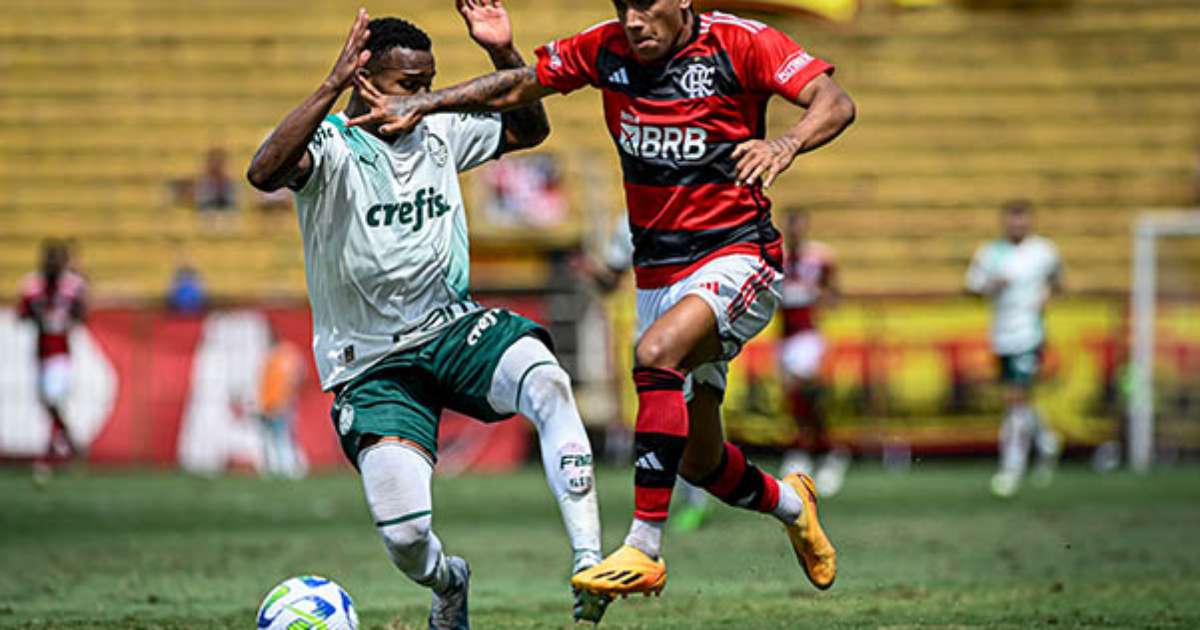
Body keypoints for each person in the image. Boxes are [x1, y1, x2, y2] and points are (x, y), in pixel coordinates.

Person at [348, 0, 855, 597]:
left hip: (738, 254)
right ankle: (794, 507)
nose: (634, 19)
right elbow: (519, 88)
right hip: (658, 271)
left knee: (656, 353)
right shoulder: (605, 47)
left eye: (646, 4)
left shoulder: (743, 43)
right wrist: (424, 101)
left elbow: (835, 102)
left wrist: (787, 143)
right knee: (699, 460)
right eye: (622, 5)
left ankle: (643, 547)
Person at [246, 5, 607, 627]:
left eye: (430, 82)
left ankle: (590, 559)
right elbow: (262, 172)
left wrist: (502, 51)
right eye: (410, 86)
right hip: (371, 365)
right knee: (407, 541)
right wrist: (329, 86)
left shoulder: (440, 128)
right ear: (366, 81)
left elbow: (529, 129)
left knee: (547, 381)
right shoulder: (331, 146)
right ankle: (448, 581)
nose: (424, 97)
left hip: (451, 329)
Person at [575, 212, 713, 534]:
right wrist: (592, 273)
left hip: (692, 327)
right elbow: (611, 280)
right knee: (661, 420)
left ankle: (692, 501)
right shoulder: (628, 222)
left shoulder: (693, 205)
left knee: (690, 417)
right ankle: (664, 506)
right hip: (648, 333)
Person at [965, 200, 1064, 498]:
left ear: (1030, 222)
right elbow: (971, 287)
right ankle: (1046, 441)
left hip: (1030, 333)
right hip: (1002, 335)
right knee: (1019, 399)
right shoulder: (990, 253)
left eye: (1022, 220)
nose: (1017, 225)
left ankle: (1012, 467)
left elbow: (1058, 281)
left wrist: (1049, 295)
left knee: (1015, 398)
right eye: (1012, 220)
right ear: (1004, 222)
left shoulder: (1044, 251)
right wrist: (992, 285)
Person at [777, 209, 848, 497]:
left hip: (807, 335)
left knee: (806, 391)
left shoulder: (819, 256)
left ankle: (822, 452)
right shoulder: (775, 256)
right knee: (793, 398)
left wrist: (821, 297)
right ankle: (810, 450)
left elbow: (834, 294)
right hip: (783, 336)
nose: (794, 230)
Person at [18, 239, 88, 483]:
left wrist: (65, 319)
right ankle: (70, 444)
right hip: (40, 352)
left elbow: (82, 314)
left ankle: (49, 459)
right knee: (47, 402)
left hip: (60, 353)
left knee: (52, 400)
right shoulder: (33, 284)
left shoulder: (72, 285)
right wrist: (38, 316)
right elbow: (22, 314)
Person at [257, 330, 309, 479]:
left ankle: (290, 469)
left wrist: (286, 398)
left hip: (280, 404)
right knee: (276, 438)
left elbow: (298, 374)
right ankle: (281, 469)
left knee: (282, 437)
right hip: (272, 404)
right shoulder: (276, 356)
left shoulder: (283, 355)